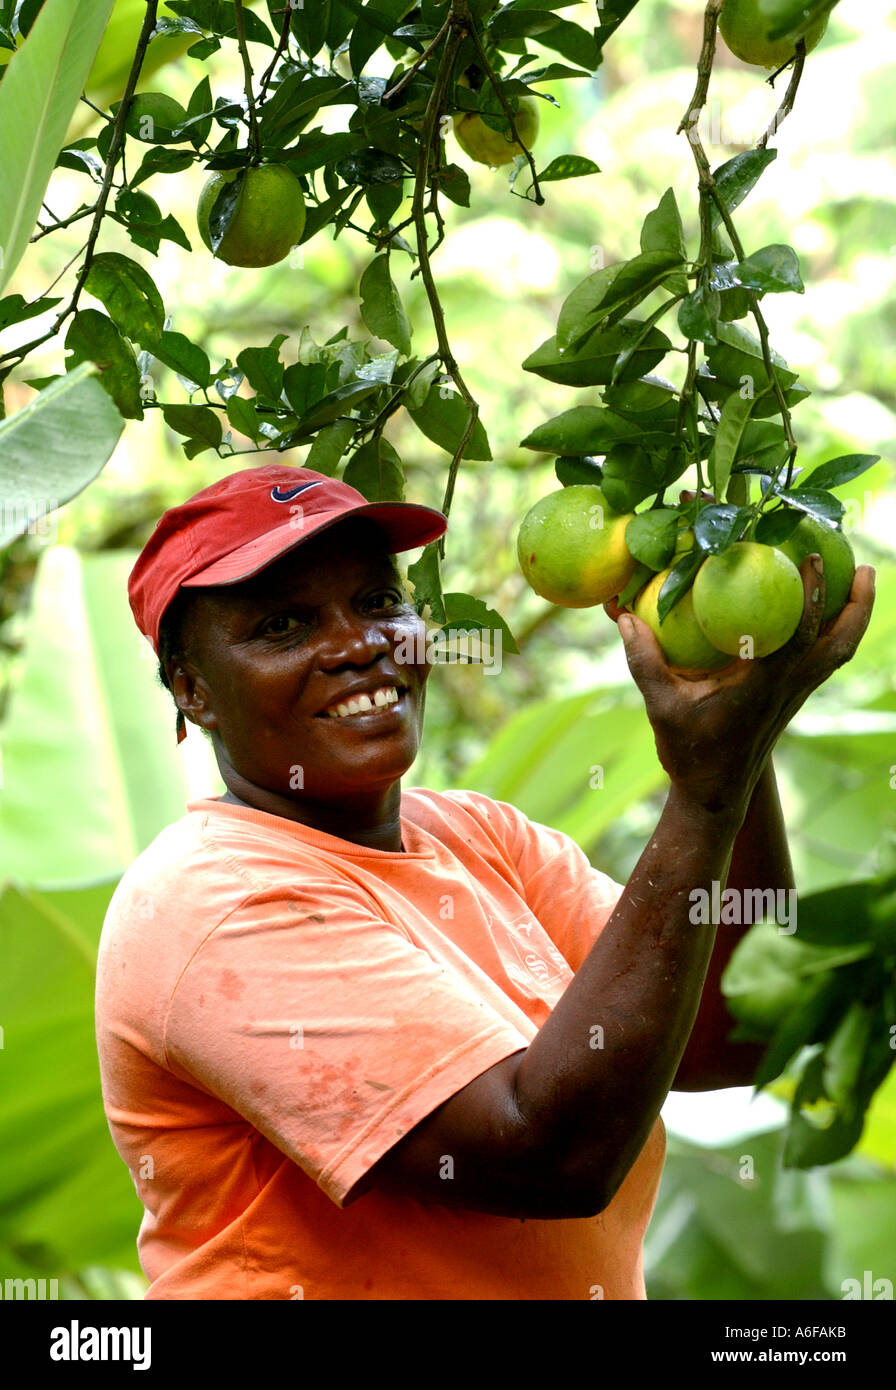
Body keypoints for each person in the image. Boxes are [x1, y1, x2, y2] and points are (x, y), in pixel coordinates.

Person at [95, 463, 874, 1301]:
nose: (359, 644)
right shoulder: (212, 902)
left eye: (376, 601)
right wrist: (706, 794)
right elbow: (549, 1158)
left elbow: (734, 1034)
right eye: (283, 625)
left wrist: (742, 727)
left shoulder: (480, 838)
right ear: (192, 690)